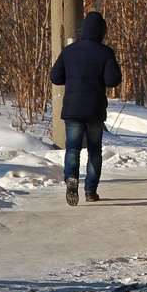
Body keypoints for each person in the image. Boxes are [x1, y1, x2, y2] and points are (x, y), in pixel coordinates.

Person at [50, 11, 123, 206]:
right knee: (94, 151)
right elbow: (112, 80)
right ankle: (90, 190)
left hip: (73, 109)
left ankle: (71, 179)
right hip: (95, 110)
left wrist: (73, 77)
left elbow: (56, 77)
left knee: (73, 149)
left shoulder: (69, 51)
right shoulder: (105, 53)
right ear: (101, 31)